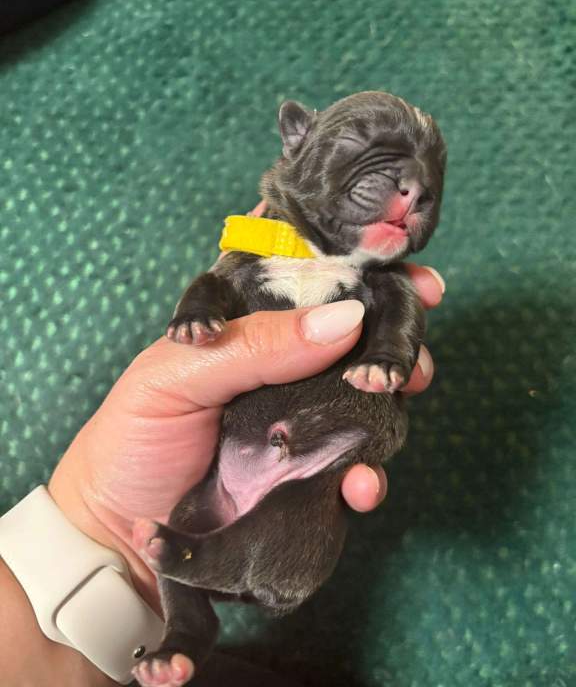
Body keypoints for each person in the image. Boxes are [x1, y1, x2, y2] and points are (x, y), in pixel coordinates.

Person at [0, 261, 443, 686]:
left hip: (318, 466)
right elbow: (216, 284)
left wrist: (391, 351)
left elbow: (399, 308)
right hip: (232, 473)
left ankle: (195, 578)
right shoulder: (253, 255)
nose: (404, 211)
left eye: (422, 209)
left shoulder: (383, 277)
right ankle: (189, 622)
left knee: (295, 508)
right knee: (190, 517)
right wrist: (198, 312)